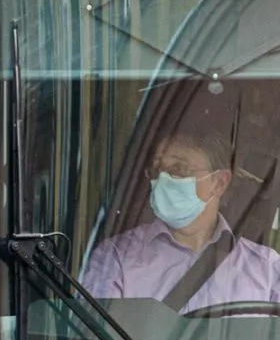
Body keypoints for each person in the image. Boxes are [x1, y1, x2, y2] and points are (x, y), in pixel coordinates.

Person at [81, 133, 280, 311]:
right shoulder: (115, 258)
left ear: (219, 183)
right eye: (158, 169)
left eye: (179, 169)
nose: (164, 179)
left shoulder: (268, 269)